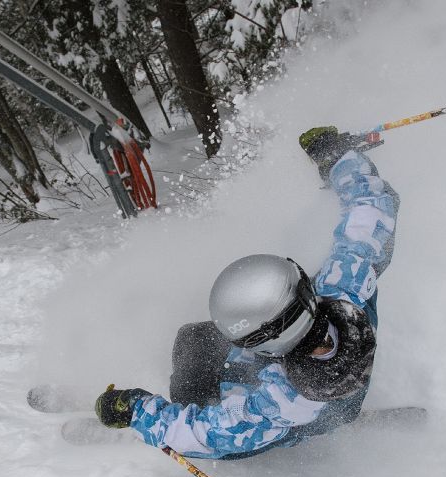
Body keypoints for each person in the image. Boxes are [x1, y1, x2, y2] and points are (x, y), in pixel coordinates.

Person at [94, 126, 400, 459]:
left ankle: (185, 409)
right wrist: (337, 157)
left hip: (304, 417)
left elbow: (207, 434)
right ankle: (336, 410)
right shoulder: (345, 284)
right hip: (336, 384)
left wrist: (137, 410)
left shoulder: (279, 401)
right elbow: (372, 206)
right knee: (199, 340)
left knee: (194, 359)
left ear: (272, 342)